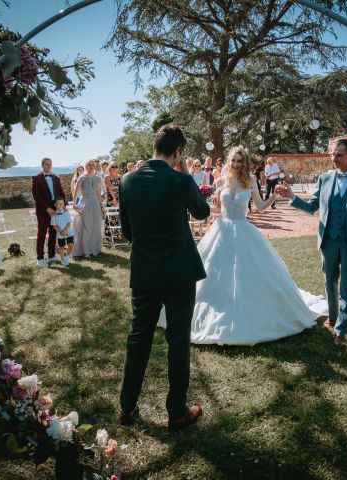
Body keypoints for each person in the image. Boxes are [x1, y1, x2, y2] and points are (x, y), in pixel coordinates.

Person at [158, 145, 327, 343]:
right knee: (211, 273)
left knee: (247, 273)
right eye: (233, 160)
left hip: (243, 229)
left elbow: (261, 207)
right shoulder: (221, 180)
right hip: (221, 231)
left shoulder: (251, 180)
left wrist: (274, 196)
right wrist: (198, 203)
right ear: (228, 161)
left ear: (244, 162)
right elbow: (216, 210)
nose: (236, 164)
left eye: (240, 161)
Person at [118, 124, 210, 430]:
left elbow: (128, 232)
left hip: (144, 273)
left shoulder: (128, 180)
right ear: (178, 152)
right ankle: (176, 411)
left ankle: (127, 406)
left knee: (138, 337)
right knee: (177, 340)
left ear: (155, 146)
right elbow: (202, 212)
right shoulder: (181, 180)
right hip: (179, 273)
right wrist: (185, 174)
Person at [277, 138, 347, 347]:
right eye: (332, 154)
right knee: (329, 280)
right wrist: (292, 197)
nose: (334, 158)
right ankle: (332, 318)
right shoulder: (325, 178)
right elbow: (312, 206)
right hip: (328, 240)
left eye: (338, 154)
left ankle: (341, 329)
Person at [31, 157, 66, 268]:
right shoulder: (36, 178)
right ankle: (40, 258)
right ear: (42, 165)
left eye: (50, 164)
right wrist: (47, 208)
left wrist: (63, 205)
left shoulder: (56, 178)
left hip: (55, 209)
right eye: (46, 164)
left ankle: (51, 256)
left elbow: (61, 193)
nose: (49, 166)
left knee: (53, 232)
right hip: (42, 210)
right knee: (42, 233)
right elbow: (37, 196)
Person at [72, 160, 103, 258]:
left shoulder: (98, 178)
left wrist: (101, 205)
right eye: (89, 165)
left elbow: (98, 192)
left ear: (95, 166)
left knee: (95, 225)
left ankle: (94, 248)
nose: (91, 166)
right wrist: (74, 203)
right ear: (86, 166)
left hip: (95, 204)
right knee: (86, 226)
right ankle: (85, 250)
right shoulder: (82, 177)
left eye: (92, 165)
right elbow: (76, 192)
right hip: (84, 203)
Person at [50, 197, 74, 266]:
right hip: (60, 233)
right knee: (62, 246)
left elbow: (69, 223)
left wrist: (65, 231)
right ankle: (62, 259)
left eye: (62, 204)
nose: (61, 205)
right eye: (59, 204)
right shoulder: (54, 216)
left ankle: (68, 256)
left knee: (71, 245)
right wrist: (61, 231)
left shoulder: (66, 213)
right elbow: (54, 226)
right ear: (55, 205)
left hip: (68, 231)